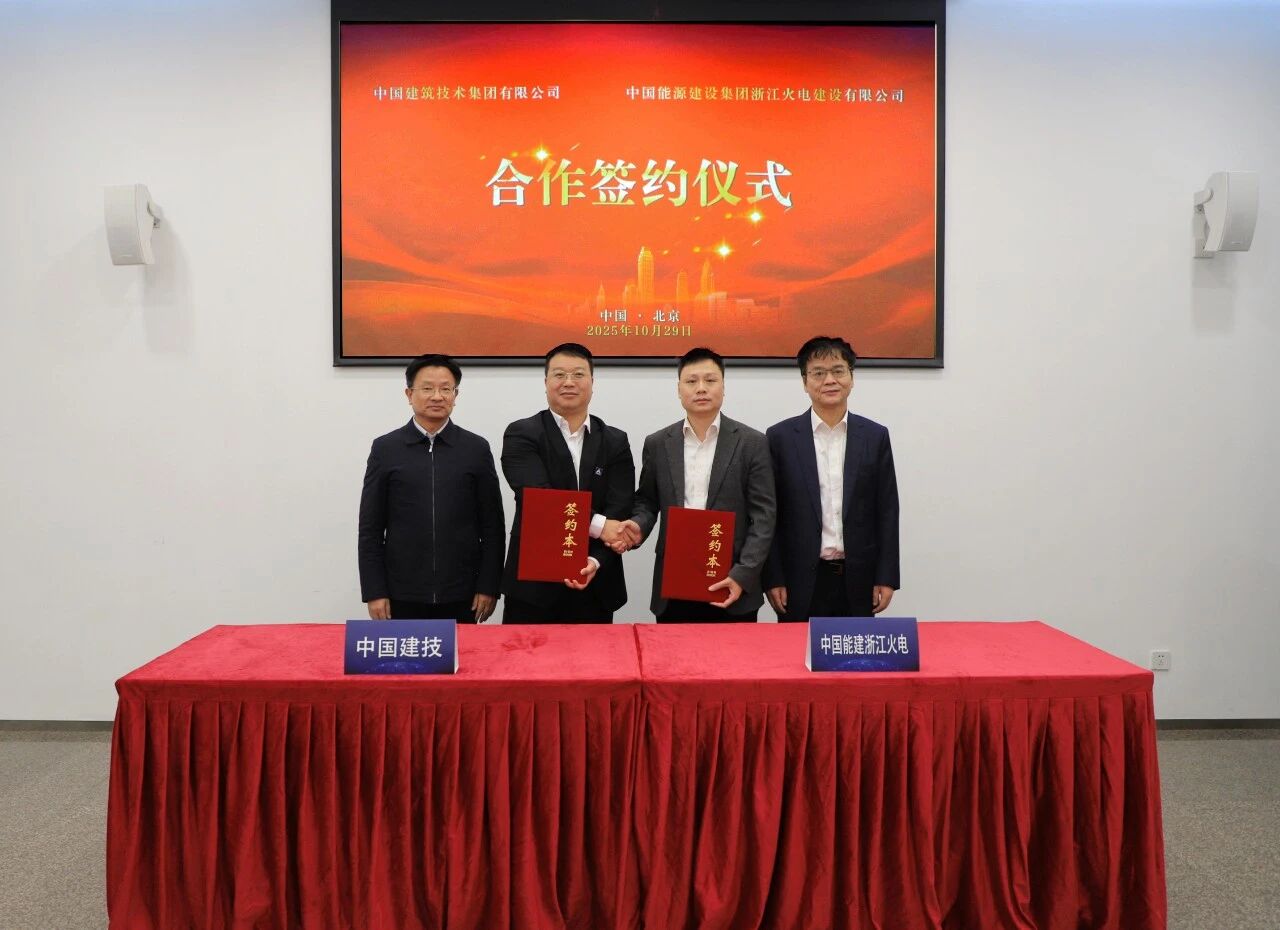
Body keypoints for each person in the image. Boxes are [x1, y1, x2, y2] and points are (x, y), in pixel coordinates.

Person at [614, 347, 775, 621]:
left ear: (723, 387)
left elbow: (764, 516)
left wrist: (743, 574)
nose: (701, 388)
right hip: (675, 583)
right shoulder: (658, 443)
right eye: (691, 381)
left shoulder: (752, 443)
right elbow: (647, 502)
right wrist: (638, 525)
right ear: (679, 390)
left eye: (710, 380)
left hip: (732, 582)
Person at [358, 354, 505, 622]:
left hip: (463, 592)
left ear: (455, 395)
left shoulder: (475, 449)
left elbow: (492, 525)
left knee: (464, 652)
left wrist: (489, 586)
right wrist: (374, 591)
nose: (437, 396)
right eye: (427, 388)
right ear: (409, 394)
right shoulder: (385, 449)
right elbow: (371, 527)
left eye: (445, 389)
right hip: (401, 593)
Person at [764, 336, 900, 621]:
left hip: (859, 578)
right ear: (805, 382)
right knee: (796, 650)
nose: (829, 380)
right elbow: (770, 515)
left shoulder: (874, 437)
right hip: (798, 580)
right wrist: (773, 577)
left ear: (851, 378)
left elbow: (887, 511)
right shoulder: (780, 438)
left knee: (854, 650)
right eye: (818, 373)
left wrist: (886, 576)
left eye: (838, 371)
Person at [500, 343, 635, 622]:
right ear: (546, 382)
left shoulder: (615, 441)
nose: (569, 382)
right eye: (559, 375)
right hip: (533, 588)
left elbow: (620, 508)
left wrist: (595, 560)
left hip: (596, 582)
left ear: (592, 382)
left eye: (578, 374)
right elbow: (538, 497)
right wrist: (600, 526)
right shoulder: (522, 434)